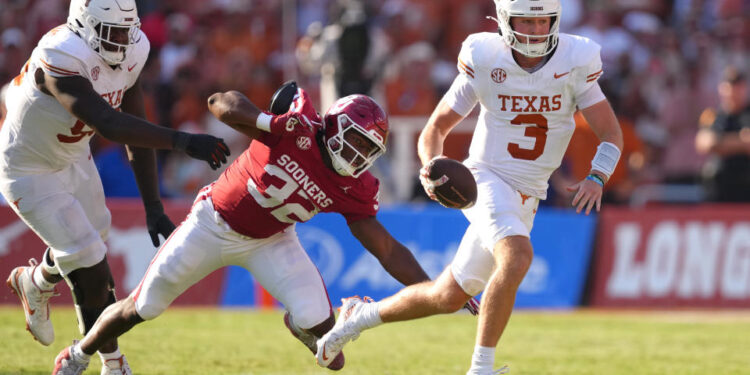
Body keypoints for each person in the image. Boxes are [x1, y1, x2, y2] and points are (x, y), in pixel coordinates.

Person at [50, 82, 472, 374]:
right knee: (142, 307)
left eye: (368, 149)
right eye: (357, 140)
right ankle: (78, 354)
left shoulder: (353, 185)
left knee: (333, 355)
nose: (360, 154)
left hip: (272, 240)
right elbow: (220, 101)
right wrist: (270, 122)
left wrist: (436, 290)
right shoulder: (297, 128)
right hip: (213, 223)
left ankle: (299, 322)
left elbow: (386, 249)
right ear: (335, 125)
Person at [315, 0, 624, 373]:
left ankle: (357, 315)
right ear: (507, 22)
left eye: (544, 22)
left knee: (446, 296)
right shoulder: (486, 57)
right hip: (485, 179)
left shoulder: (575, 60)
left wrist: (597, 175)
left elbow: (610, 134)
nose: (537, 32)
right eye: (528, 23)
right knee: (517, 257)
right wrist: (430, 165)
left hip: (528, 195)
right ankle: (481, 368)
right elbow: (435, 128)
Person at [1, 0, 230, 374]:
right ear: (83, 25)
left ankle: (36, 281)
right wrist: (184, 142)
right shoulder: (59, 54)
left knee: (95, 237)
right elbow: (108, 122)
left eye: (128, 31)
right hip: (28, 166)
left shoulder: (133, 49)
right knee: (90, 258)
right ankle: (112, 362)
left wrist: (153, 205)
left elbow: (135, 124)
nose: (123, 41)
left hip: (72, 155)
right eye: (113, 32)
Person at [695, 66, 750, 202]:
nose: (733, 91)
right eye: (729, 86)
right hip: (719, 188)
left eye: (738, 86)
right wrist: (740, 140)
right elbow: (705, 143)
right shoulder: (713, 116)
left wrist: (722, 143)